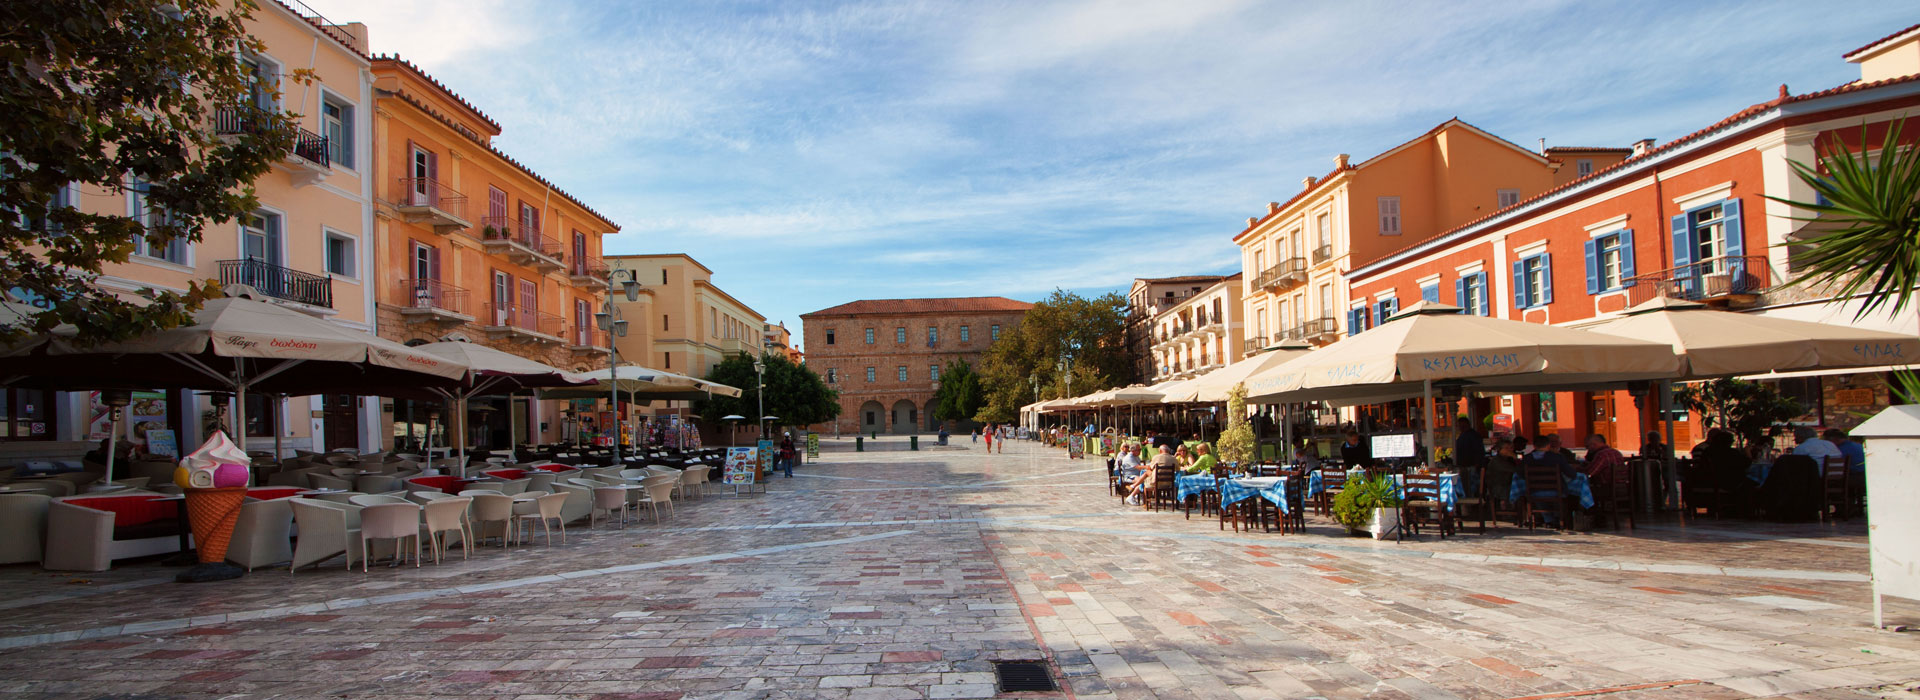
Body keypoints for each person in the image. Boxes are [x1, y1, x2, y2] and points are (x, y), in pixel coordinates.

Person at [1454, 417, 1486, 493]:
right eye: (1459, 425)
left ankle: (1470, 500)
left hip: (1471, 465)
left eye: (1462, 425)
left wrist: (1476, 464)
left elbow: (1479, 451)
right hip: (1464, 465)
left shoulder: (1473, 435)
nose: (1460, 427)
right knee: (1465, 485)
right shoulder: (1462, 435)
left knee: (1471, 486)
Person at [1485, 437, 1520, 502]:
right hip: (1499, 488)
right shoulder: (1497, 461)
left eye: (1511, 448)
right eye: (1506, 448)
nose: (1510, 450)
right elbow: (1516, 470)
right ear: (1499, 449)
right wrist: (1515, 458)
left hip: (1508, 485)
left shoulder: (1509, 459)